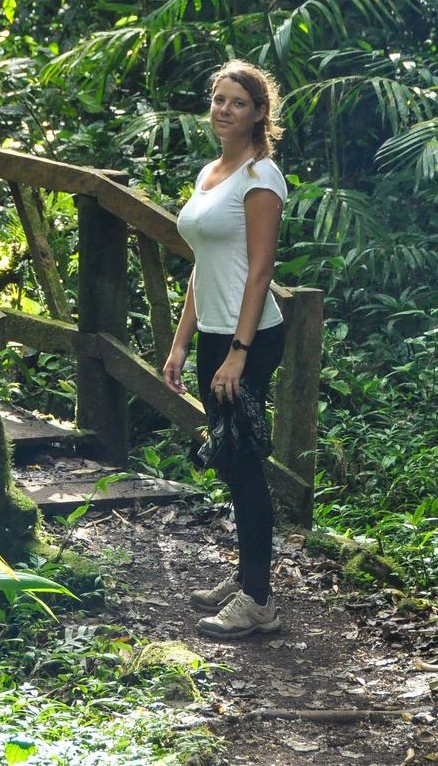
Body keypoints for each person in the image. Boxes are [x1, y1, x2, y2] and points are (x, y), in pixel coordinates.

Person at [163, 59, 288, 639]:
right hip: (214, 331)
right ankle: (247, 578)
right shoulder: (210, 172)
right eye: (218, 99)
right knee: (234, 465)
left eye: (237, 102)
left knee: (243, 465)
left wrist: (238, 351)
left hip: (252, 335)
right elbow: (203, 268)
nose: (223, 110)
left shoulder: (260, 178)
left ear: (259, 113)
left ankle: (258, 601)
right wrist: (181, 342)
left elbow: (260, 271)